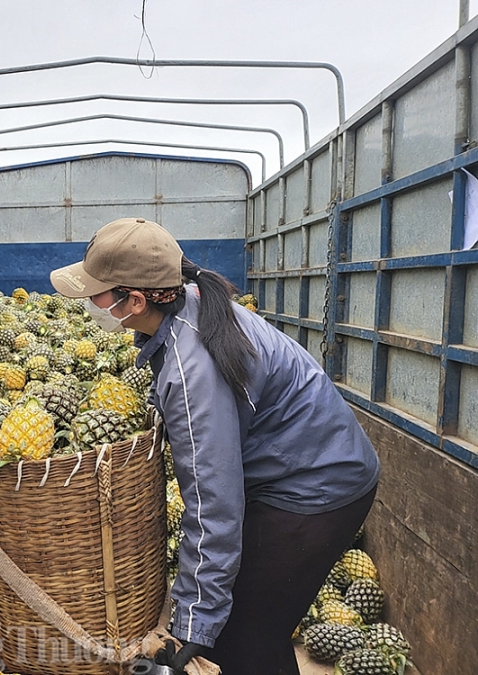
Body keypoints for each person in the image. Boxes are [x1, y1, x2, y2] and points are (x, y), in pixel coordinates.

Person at [49, 217, 380, 675]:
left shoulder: (194, 371)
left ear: (136, 300)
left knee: (240, 640)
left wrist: (191, 624)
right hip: (301, 467)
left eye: (96, 294)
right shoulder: (189, 301)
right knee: (254, 630)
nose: (90, 302)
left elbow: (212, 504)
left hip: (316, 489)